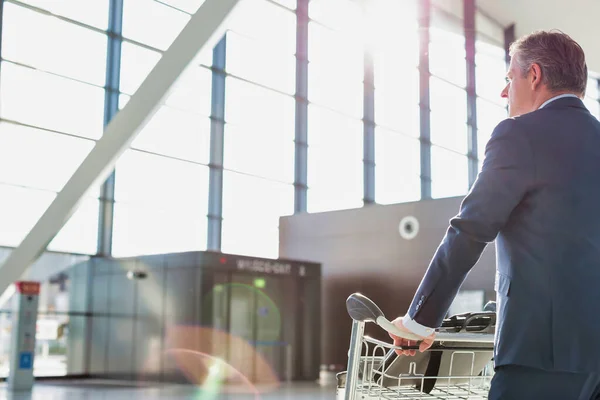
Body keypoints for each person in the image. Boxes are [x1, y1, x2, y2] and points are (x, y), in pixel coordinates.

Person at [389, 30, 600, 399]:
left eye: (509, 79)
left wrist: (419, 322)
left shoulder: (519, 135)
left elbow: (470, 230)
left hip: (539, 353)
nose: (504, 93)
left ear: (533, 76)